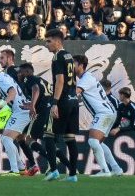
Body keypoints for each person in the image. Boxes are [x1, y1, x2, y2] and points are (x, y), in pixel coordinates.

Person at [73, 55, 123, 176]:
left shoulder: (86, 79)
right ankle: (116, 169)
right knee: (98, 143)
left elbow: (75, 92)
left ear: (81, 65)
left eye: (73, 63)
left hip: (104, 113)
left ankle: (105, 171)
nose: (71, 66)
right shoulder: (87, 77)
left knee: (93, 142)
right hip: (109, 113)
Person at [0, 58, 30, 175]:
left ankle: (16, 170)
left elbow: (12, 92)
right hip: (20, 110)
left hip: (21, 110)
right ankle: (21, 168)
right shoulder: (0, 78)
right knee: (7, 138)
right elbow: (2, 93)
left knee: (6, 139)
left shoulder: (1, 78)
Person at [43, 29, 79, 182]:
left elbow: (60, 81)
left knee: (48, 135)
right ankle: (72, 175)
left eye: (49, 41)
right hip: (73, 100)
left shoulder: (57, 57)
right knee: (70, 138)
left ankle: (54, 171)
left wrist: (55, 103)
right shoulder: (69, 56)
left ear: (58, 41)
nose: (46, 45)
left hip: (63, 100)